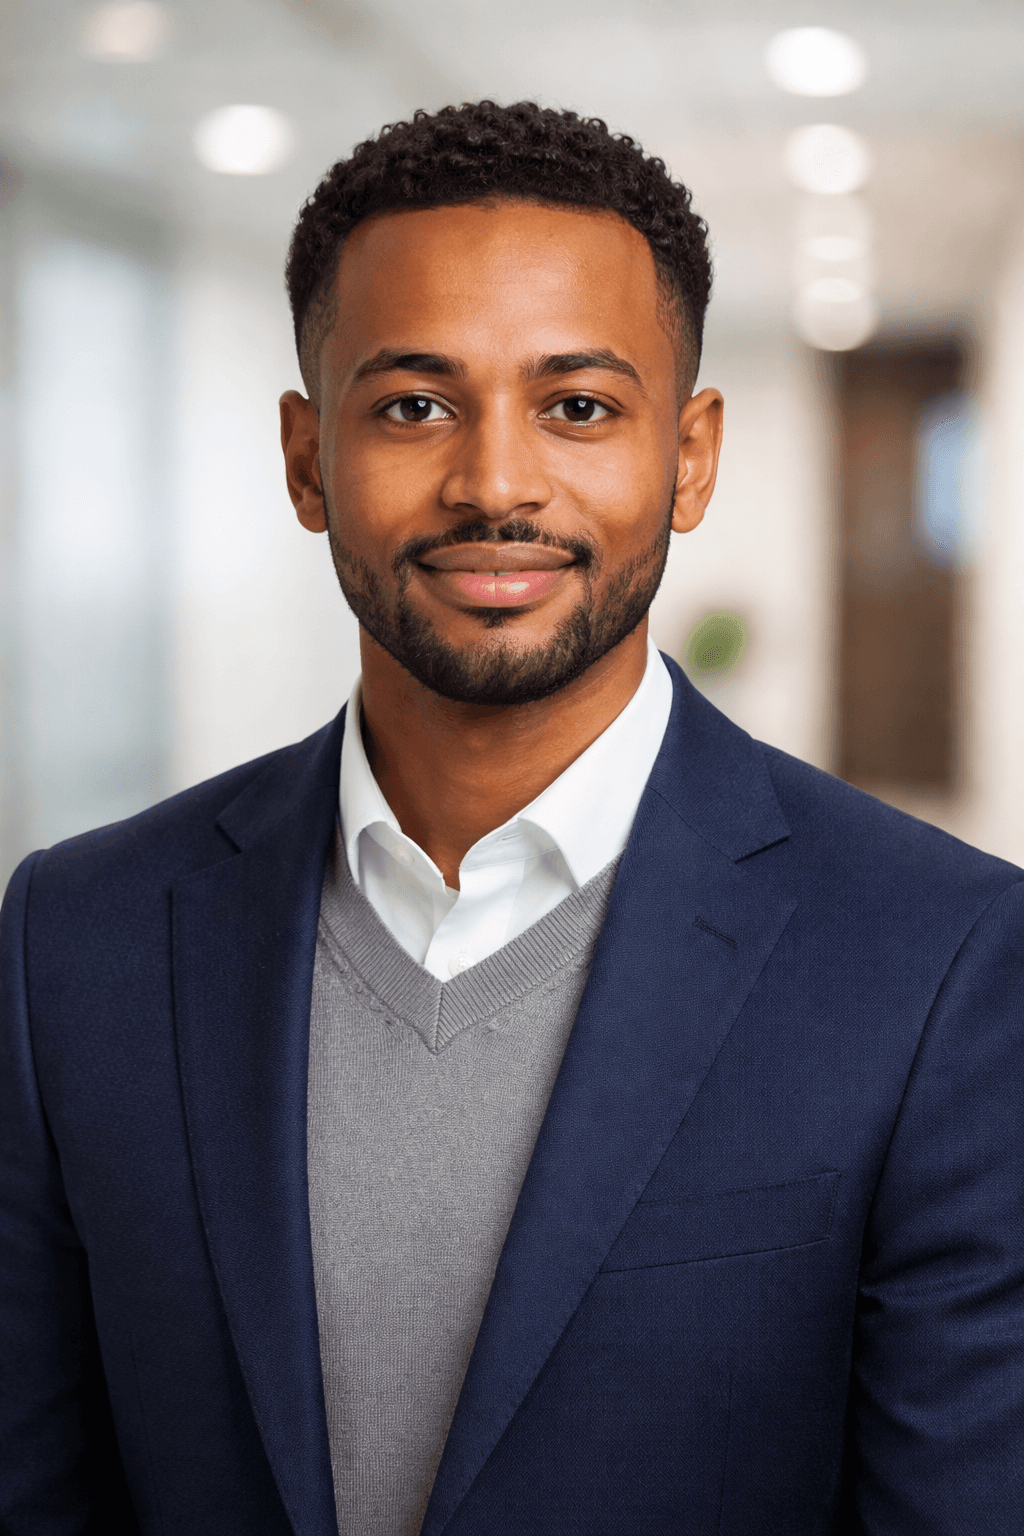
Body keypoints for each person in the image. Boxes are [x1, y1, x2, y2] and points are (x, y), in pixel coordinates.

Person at [1, 100, 1021, 1536]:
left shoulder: (937, 960)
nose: (494, 483)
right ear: (307, 459)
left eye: (579, 407)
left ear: (691, 456)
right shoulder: (75, 940)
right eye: (414, 406)